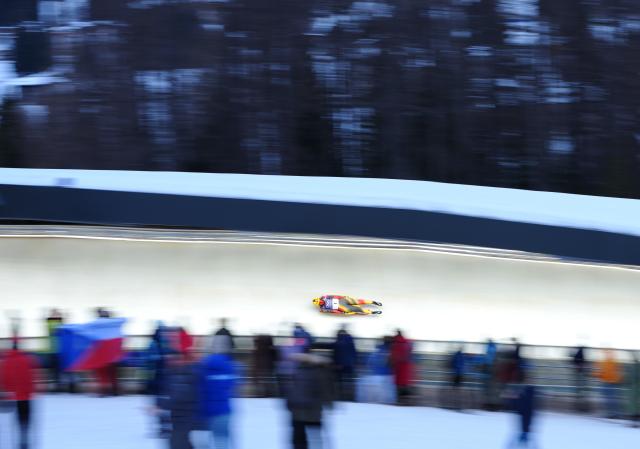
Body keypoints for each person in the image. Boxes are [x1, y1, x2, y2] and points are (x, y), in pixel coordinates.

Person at [286, 352, 333, 449]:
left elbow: (289, 390)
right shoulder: (320, 373)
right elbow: (325, 391)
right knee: (315, 438)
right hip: (313, 413)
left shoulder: (297, 371)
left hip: (297, 412)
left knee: (298, 439)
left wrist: (289, 405)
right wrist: (329, 404)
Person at [0, 338, 39, 449]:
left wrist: (7, 390)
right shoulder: (28, 359)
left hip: (13, 397)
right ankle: (24, 442)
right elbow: (32, 376)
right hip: (26, 396)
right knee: (25, 421)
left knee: (15, 422)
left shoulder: (6, 361)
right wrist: (32, 390)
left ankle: (15, 443)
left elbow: (4, 379)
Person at [200, 334, 237, 449]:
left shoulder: (203, 365)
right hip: (224, 410)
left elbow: (199, 387)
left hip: (205, 411)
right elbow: (232, 386)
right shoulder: (230, 366)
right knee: (223, 440)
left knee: (203, 441)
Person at [164, 352, 199, 449]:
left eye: (175, 359)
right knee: (181, 442)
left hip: (185, 417)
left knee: (177, 442)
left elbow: (179, 397)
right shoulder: (173, 374)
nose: (171, 361)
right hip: (178, 417)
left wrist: (161, 404)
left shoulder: (185, 374)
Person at [506, 372, 537, 448]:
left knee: (524, 433)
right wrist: (511, 399)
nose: (529, 381)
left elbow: (524, 403)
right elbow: (517, 403)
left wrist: (512, 399)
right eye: (528, 380)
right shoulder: (524, 391)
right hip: (523, 415)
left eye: (530, 380)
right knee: (523, 434)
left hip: (527, 415)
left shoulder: (529, 391)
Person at [595, 349, 623, 419]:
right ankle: (613, 413)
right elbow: (603, 373)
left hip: (609, 382)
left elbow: (605, 373)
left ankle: (613, 414)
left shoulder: (609, 362)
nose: (606, 354)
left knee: (610, 399)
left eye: (607, 353)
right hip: (609, 382)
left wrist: (597, 375)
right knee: (610, 399)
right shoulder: (610, 361)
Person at [332, 326, 357, 401]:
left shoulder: (339, 341)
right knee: (349, 381)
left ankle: (340, 397)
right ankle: (350, 397)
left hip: (340, 365)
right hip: (350, 365)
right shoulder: (350, 341)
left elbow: (337, 354)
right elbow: (354, 353)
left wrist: (337, 363)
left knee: (339, 382)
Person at [390, 330, 413, 405]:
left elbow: (394, 356)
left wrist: (392, 363)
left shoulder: (396, 343)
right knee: (404, 384)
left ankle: (399, 401)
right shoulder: (407, 342)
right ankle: (405, 401)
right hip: (406, 367)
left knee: (398, 385)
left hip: (398, 367)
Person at [312, 295, 382, 315]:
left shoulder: (324, 297)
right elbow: (333, 311)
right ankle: (372, 312)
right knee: (357, 309)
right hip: (341, 307)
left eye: (320, 301)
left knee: (358, 301)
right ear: (318, 304)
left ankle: (373, 302)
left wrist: (342, 297)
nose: (321, 302)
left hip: (342, 300)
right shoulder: (323, 308)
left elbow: (334, 296)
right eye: (319, 302)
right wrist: (342, 312)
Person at [572, 346, 589, 412]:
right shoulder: (581, 354)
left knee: (579, 391)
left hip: (579, 374)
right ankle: (581, 407)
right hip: (581, 374)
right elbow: (581, 362)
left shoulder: (578, 354)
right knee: (581, 391)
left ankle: (579, 407)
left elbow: (575, 361)